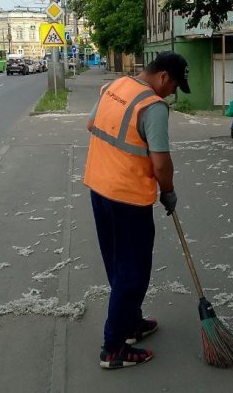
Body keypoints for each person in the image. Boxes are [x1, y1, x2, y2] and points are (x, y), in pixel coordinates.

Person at [84, 51, 190, 369]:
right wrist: (168, 192)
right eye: (174, 86)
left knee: (118, 264)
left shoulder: (115, 86)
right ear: (163, 77)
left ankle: (131, 323)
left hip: (99, 188)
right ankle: (114, 347)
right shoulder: (153, 107)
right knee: (132, 272)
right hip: (128, 198)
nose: (172, 93)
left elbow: (92, 124)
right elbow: (161, 161)